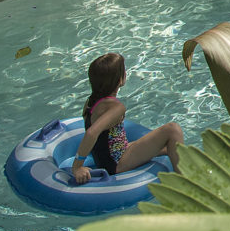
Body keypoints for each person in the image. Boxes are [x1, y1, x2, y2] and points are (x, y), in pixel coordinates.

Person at [70, 53, 184, 185]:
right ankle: (185, 184)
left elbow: (100, 136)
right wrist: (77, 167)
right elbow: (92, 132)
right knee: (173, 129)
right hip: (116, 163)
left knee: (168, 147)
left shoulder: (91, 101)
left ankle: (184, 162)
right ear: (119, 79)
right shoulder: (116, 108)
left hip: (109, 155)